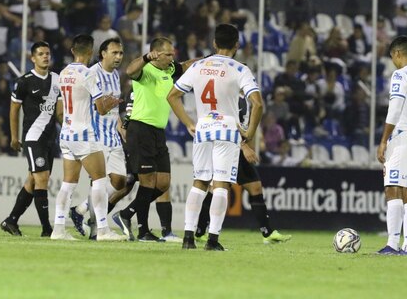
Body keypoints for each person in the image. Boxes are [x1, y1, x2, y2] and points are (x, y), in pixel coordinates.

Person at [167, 23, 264, 250]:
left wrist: (189, 122)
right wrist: (249, 134)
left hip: (203, 128)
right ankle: (212, 240)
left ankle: (188, 238)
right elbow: (257, 103)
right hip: (227, 130)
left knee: (199, 182)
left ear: (214, 43)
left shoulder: (199, 66)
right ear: (237, 45)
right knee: (221, 185)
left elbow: (172, 96)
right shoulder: (239, 69)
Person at [112, 37, 198, 242]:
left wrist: (210, 59)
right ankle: (143, 231)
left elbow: (187, 65)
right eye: (168, 54)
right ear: (156, 54)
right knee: (148, 181)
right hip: (141, 129)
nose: (172, 58)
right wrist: (144, 58)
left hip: (158, 132)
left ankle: (126, 214)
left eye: (172, 54)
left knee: (163, 183)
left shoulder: (169, 69)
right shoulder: (146, 70)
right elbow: (130, 70)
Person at [51, 34, 125, 241]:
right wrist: (111, 103)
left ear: (73, 50)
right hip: (84, 133)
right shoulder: (89, 74)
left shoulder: (64, 72)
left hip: (66, 133)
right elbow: (100, 108)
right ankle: (102, 230)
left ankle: (58, 229)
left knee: (68, 184)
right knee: (100, 181)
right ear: (91, 52)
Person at [193, 95, 292, 245]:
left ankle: (268, 233)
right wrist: (245, 147)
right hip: (228, 147)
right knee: (219, 189)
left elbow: (241, 125)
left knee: (254, 187)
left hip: (237, 147)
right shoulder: (231, 97)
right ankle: (200, 231)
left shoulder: (242, 97)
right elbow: (229, 124)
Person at [0, 41, 62, 237]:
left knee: (33, 181)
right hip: (33, 137)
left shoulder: (57, 80)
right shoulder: (23, 81)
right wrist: (14, 137)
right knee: (42, 179)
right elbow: (13, 111)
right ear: (32, 58)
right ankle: (47, 229)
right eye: (41, 54)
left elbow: (59, 112)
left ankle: (10, 220)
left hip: (51, 138)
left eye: (48, 53)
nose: (45, 57)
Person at [376, 35, 407, 255]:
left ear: (397, 54)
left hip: (403, 135)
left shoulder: (400, 75)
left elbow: (395, 109)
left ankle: (392, 244)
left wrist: (383, 140)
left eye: (392, 57)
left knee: (393, 188)